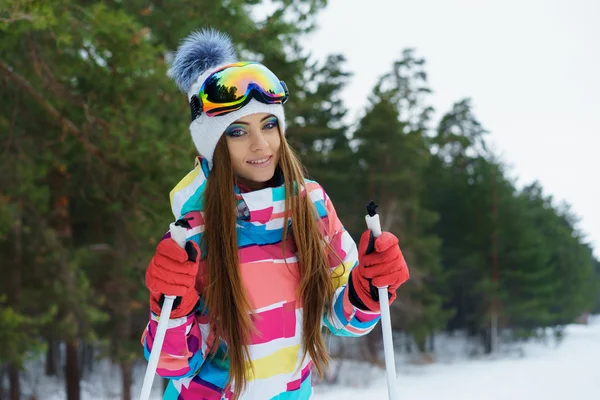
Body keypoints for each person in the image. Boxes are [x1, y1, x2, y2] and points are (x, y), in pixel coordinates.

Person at [141, 28, 410, 400]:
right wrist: (169, 307)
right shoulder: (194, 233)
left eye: (269, 125)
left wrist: (369, 285)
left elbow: (341, 317)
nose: (260, 144)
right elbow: (174, 364)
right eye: (237, 132)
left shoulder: (311, 205)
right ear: (214, 146)